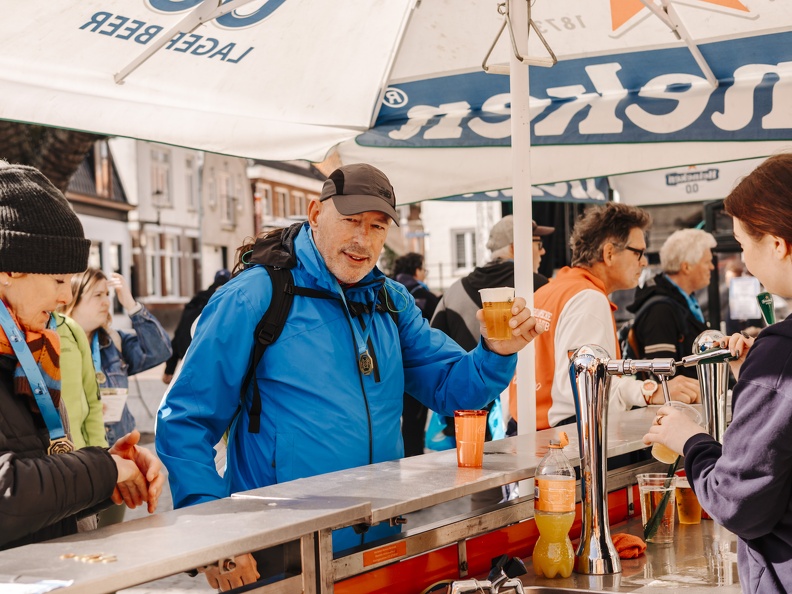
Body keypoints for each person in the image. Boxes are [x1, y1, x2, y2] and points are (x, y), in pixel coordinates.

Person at [156, 163, 546, 591]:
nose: (363, 240)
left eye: (377, 226)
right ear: (316, 213)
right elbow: (186, 419)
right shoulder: (254, 296)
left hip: (380, 540)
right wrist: (214, 533)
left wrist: (494, 352)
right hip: (283, 549)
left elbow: (452, 387)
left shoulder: (390, 302)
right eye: (351, 221)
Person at [643, 152, 792, 593]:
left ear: (779, 244)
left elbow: (737, 499)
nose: (742, 263)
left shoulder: (781, 353)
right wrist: (758, 378)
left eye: (744, 246)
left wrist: (688, 439)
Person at [0, 160, 163, 550]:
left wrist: (111, 474)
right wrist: (102, 469)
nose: (63, 298)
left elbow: (34, 490)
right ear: (7, 269)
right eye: (58, 280)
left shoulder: (29, 345)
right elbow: (7, 495)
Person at [533, 203, 700, 431]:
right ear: (609, 253)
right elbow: (586, 383)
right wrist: (652, 391)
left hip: (535, 431)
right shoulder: (588, 298)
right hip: (570, 437)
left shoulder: (549, 290)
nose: (644, 261)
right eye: (638, 252)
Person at [60, 268, 172, 526]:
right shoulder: (56, 342)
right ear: (73, 298)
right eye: (97, 295)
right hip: (77, 456)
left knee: (110, 533)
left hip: (116, 451)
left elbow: (160, 349)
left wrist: (131, 305)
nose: (106, 301)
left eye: (108, 294)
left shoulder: (113, 342)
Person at [627, 228, 716, 377]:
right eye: (707, 262)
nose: (712, 267)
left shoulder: (683, 302)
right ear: (686, 267)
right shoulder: (660, 311)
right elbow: (664, 378)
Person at [391, 252, 440, 457]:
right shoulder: (422, 295)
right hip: (416, 366)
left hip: (389, 365)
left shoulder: (387, 290)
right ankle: (414, 457)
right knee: (415, 419)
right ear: (416, 270)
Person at [162, 268, 231, 384]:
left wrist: (169, 369)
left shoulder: (195, 302)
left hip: (187, 361)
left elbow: (179, 334)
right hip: (210, 365)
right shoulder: (227, 301)